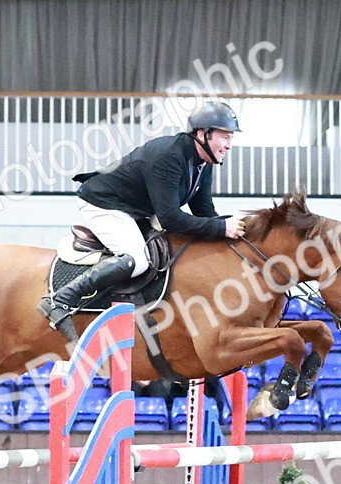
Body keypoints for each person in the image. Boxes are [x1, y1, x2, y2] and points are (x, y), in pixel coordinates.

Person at [37, 100, 247, 332]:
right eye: (225, 137)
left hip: (136, 209)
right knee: (136, 260)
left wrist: (234, 232)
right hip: (104, 203)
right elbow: (170, 219)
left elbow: (205, 213)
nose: (229, 145)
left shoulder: (203, 163)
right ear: (202, 134)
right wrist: (220, 228)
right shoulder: (169, 156)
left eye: (231, 139)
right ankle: (61, 298)